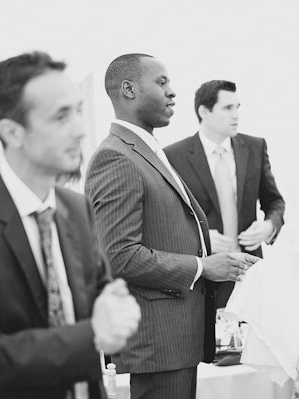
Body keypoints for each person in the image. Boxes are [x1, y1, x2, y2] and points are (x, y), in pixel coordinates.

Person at [0, 51, 141, 399]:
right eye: (60, 116)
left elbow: (101, 297)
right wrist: (91, 334)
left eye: (79, 112)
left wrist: (117, 307)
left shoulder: (75, 208)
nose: (80, 130)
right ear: (13, 131)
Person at [85, 53, 260, 399]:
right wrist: (202, 267)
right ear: (128, 89)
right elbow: (118, 256)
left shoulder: (146, 150)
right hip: (158, 344)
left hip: (176, 339)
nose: (172, 92)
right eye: (161, 82)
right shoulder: (116, 156)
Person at [165, 79, 285, 308]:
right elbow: (171, 218)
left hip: (249, 272)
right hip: (205, 274)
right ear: (204, 111)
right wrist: (202, 238)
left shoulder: (255, 147)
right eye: (227, 108)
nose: (236, 115)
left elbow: (274, 201)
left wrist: (269, 226)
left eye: (237, 107)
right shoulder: (174, 156)